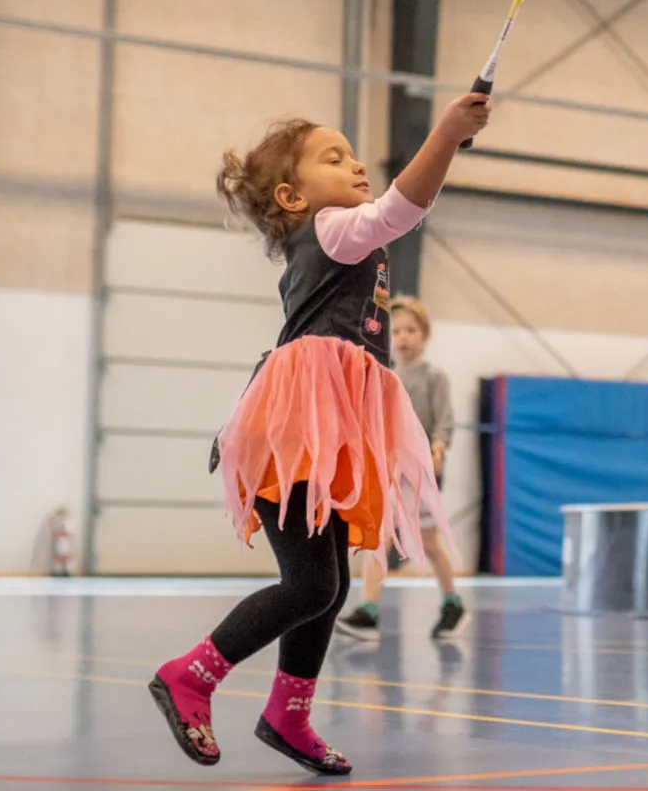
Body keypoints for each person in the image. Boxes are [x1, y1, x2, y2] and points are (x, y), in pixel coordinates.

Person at [146, 92, 487, 775]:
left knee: (325, 585)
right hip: (300, 426)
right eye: (335, 158)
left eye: (353, 153)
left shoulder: (348, 240)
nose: (356, 164)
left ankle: (288, 714)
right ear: (292, 196)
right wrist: (445, 135)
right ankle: (191, 673)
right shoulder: (336, 228)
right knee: (309, 586)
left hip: (327, 427)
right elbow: (403, 206)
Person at [335, 296, 467, 641]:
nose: (404, 337)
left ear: (424, 335)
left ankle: (453, 602)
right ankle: (369, 611)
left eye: (411, 330)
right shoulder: (385, 375)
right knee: (379, 539)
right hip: (389, 470)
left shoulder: (434, 378)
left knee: (430, 543)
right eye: (397, 332)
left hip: (421, 472)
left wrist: (438, 446)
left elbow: (444, 421)